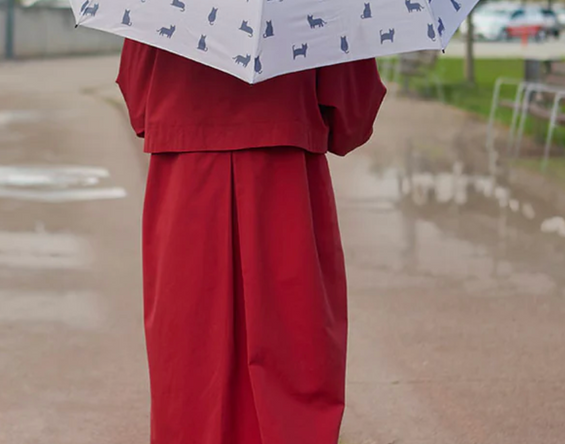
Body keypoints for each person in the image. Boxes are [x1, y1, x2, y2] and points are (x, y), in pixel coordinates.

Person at [117, 39, 387, 444]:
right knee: (294, 348)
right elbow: (352, 118)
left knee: (189, 355)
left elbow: (138, 103)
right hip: (283, 187)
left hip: (187, 187)